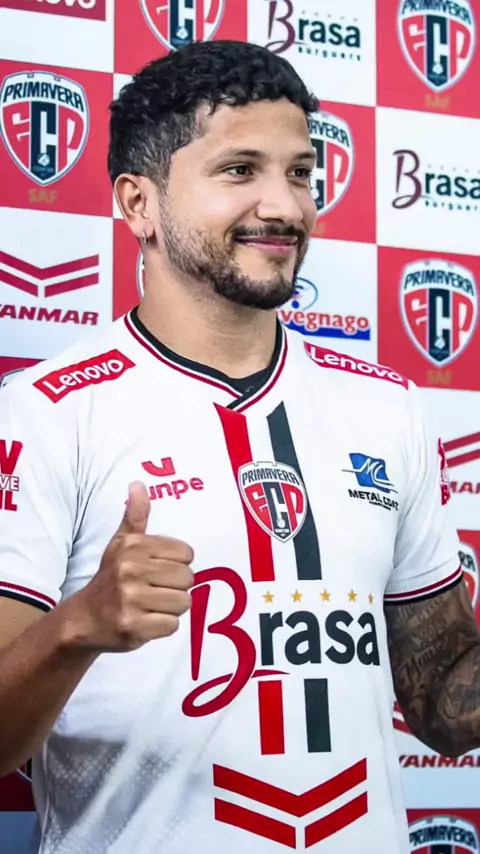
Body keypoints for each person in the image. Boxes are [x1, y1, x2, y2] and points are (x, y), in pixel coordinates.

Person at [0, 40, 478, 854]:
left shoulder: (386, 406)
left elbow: (442, 705)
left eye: (301, 172)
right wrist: (78, 625)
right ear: (138, 203)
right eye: (239, 170)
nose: (285, 206)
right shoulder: (48, 412)